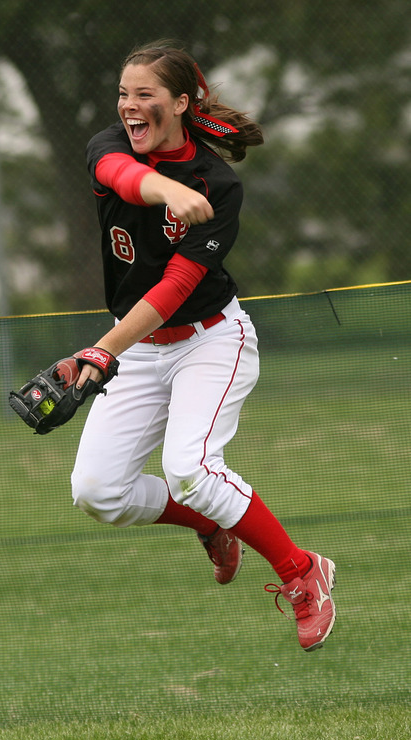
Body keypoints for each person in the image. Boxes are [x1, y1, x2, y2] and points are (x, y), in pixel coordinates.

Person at [58, 41, 336, 652]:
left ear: (181, 103)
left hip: (209, 342)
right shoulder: (109, 145)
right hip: (140, 347)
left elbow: (179, 286)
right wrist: (164, 190)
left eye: (146, 95)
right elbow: (120, 176)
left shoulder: (218, 183)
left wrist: (100, 350)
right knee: (97, 492)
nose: (130, 107)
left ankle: (301, 572)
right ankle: (210, 522)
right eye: (124, 94)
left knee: (189, 468)